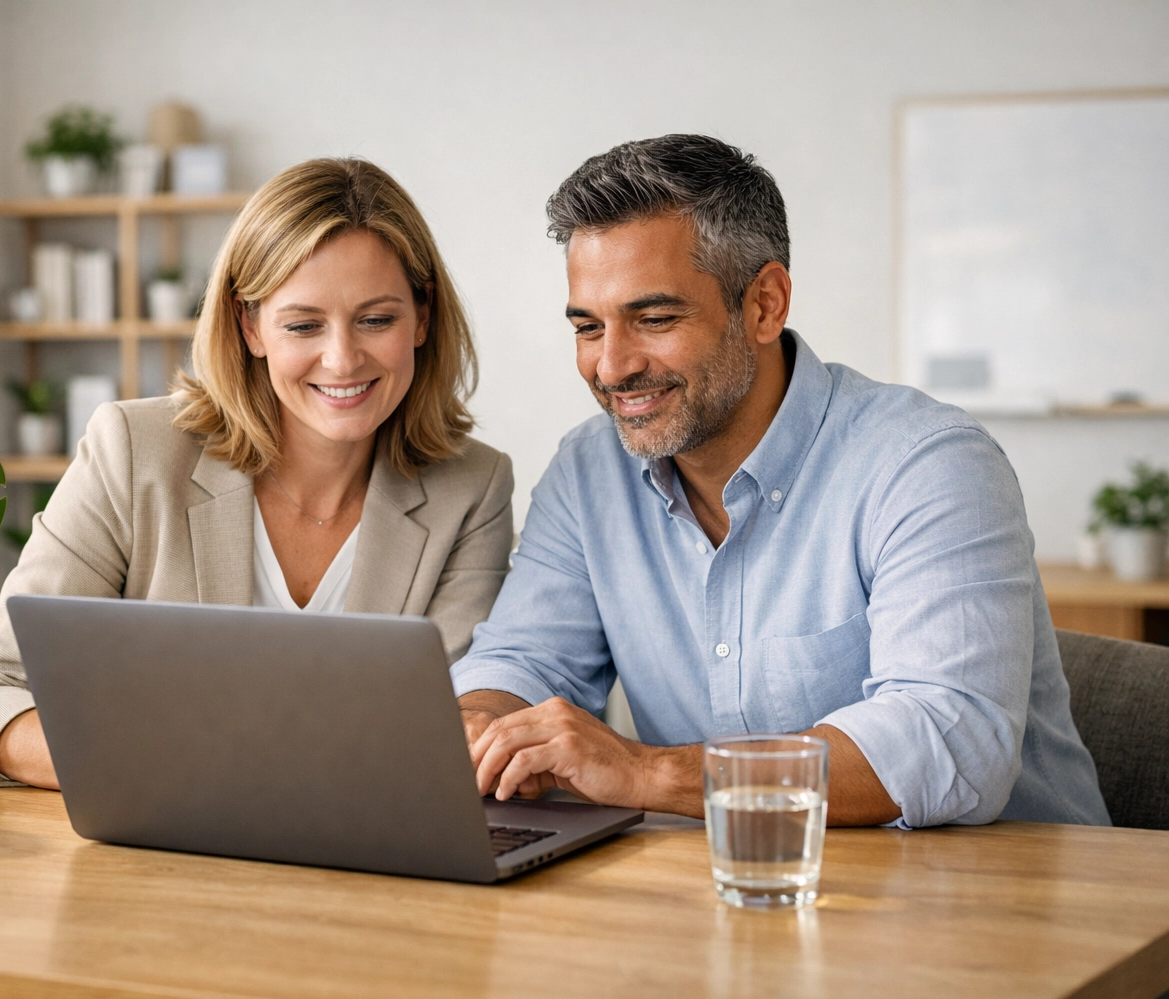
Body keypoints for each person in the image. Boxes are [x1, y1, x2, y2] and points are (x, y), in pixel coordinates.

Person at [454, 135, 1109, 829]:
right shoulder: (589, 473)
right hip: (735, 900)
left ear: (765, 304)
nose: (612, 367)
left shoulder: (928, 462)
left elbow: (947, 740)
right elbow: (524, 660)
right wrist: (480, 725)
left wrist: (645, 772)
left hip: (1002, 906)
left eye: (654, 319)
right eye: (588, 327)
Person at [0, 158, 514, 790]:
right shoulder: (135, 451)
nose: (343, 358)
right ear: (250, 326)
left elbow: (458, 720)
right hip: (162, 850)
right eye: (303, 325)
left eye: (376, 320)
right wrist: (167, 768)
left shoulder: (472, 489)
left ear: (423, 319)